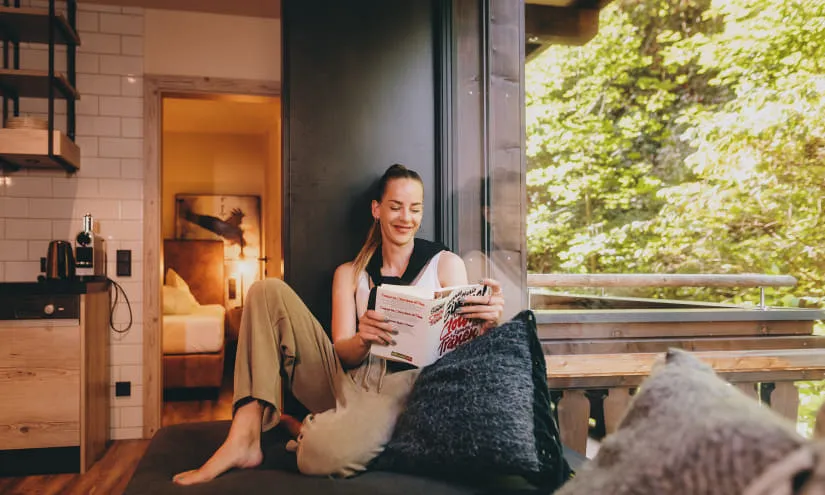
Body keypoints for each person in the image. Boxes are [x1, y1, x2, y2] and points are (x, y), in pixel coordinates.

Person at [173, 164, 506, 485]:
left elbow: (460, 353)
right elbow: (343, 353)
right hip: (348, 379)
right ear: (377, 209)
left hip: (402, 387)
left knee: (316, 455)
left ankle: (308, 428)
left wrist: (487, 325)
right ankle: (244, 436)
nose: (406, 218)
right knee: (265, 290)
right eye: (396, 207)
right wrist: (363, 338)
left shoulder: (445, 264)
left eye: (415, 209)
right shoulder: (350, 273)